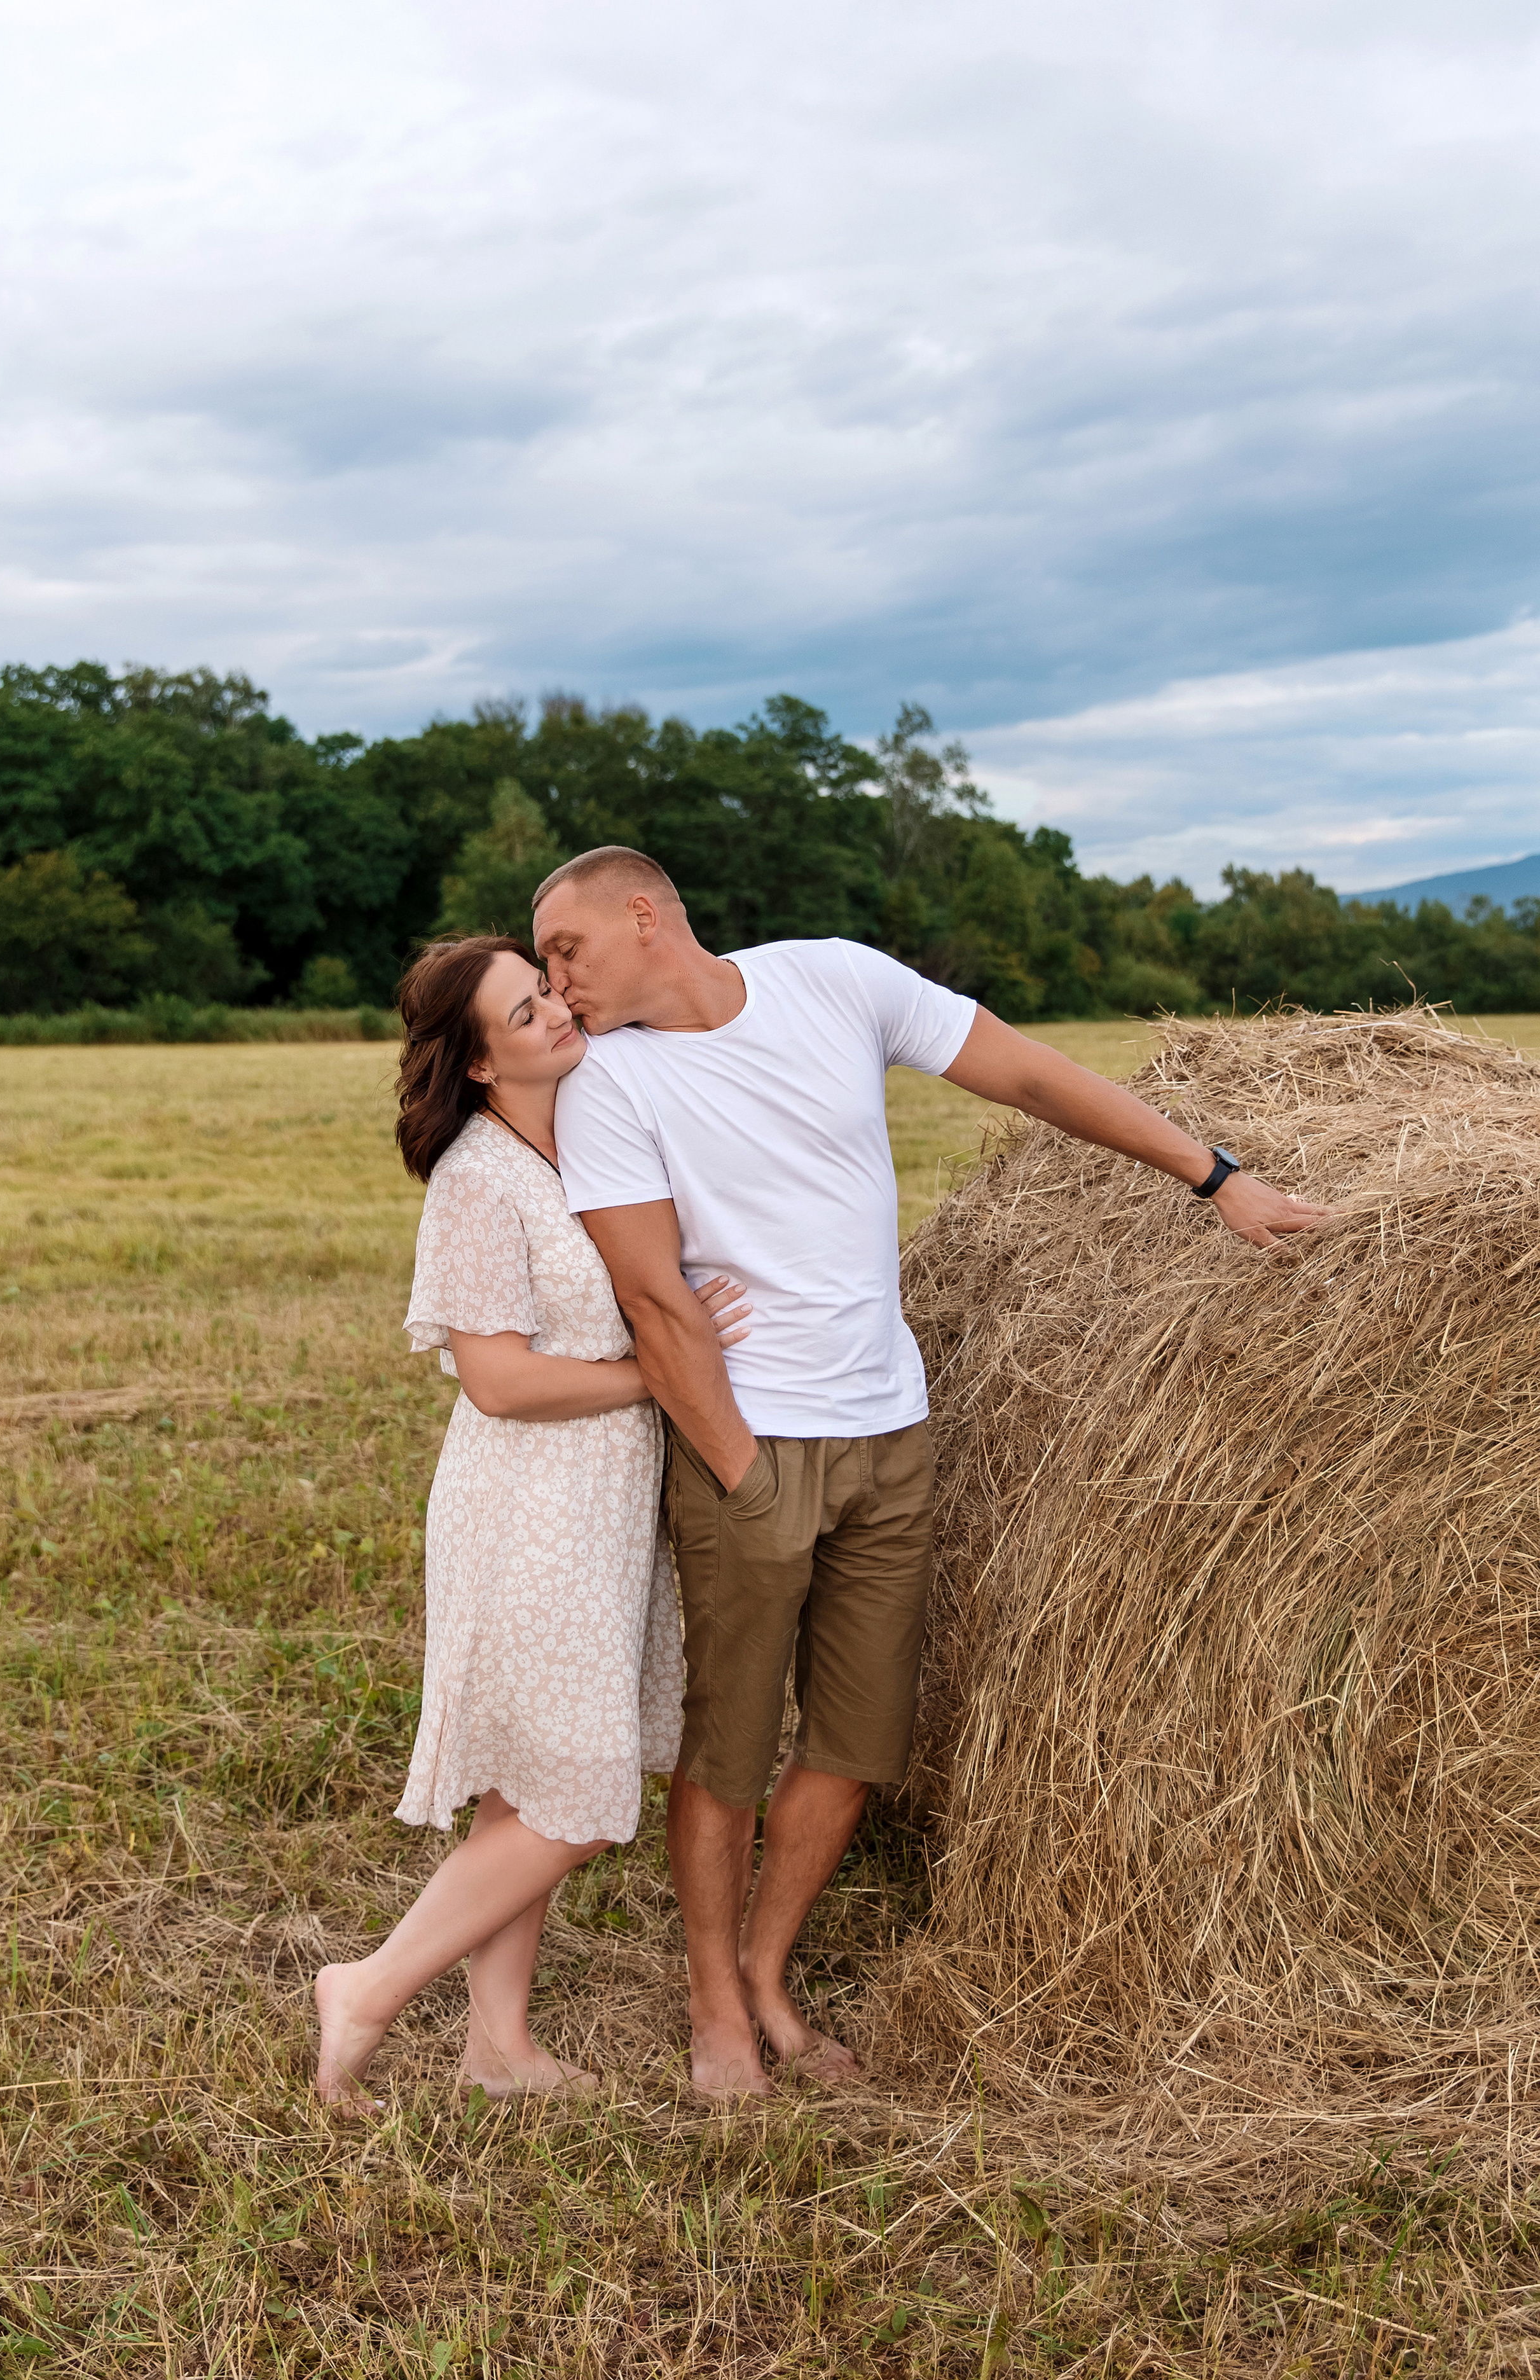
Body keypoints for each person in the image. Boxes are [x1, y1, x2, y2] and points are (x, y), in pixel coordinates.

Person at [533, 847, 1334, 2099]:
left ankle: (764, 1973)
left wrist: (1211, 1177)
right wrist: (738, 1472)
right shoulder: (609, 1085)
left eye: (564, 950)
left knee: (855, 1743)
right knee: (728, 1751)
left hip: (889, 1432)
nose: (553, 981)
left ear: (643, 918)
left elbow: (1026, 1073)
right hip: (751, 1449)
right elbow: (651, 1296)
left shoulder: (833, 983)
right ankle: (710, 2009)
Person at [313, 932, 749, 2111]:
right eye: (524, 1011)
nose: (557, 1009)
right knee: (581, 1793)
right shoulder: (477, 1178)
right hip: (529, 1506)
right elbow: (497, 1379)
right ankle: (366, 1987)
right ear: (483, 1067)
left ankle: (498, 2047)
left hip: (604, 1501)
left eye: (546, 989)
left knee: (530, 1784)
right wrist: (658, 1378)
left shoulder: (581, 1140)